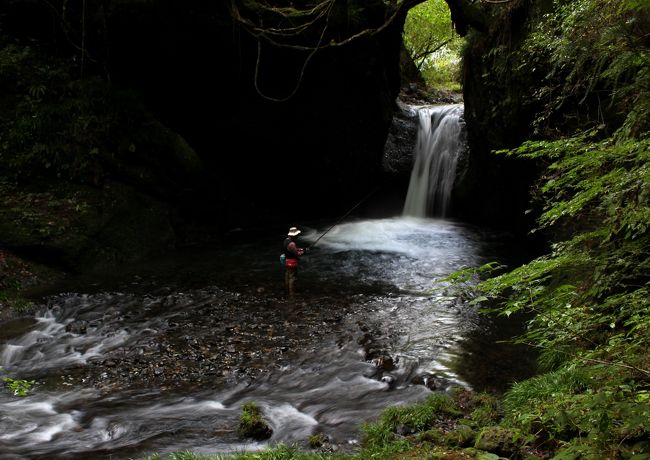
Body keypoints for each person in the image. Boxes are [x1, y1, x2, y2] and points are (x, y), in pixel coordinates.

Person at [282, 226, 307, 294]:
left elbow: (292, 250)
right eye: (297, 235)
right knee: (293, 278)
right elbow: (297, 254)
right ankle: (292, 293)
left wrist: (302, 249)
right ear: (294, 235)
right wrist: (304, 252)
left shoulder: (286, 240)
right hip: (292, 263)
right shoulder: (292, 244)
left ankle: (287, 290)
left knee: (287, 276)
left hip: (286, 261)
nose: (297, 236)